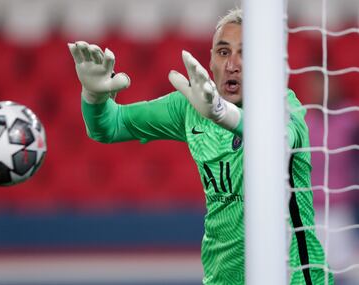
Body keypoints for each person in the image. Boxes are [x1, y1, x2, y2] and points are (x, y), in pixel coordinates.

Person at [68, 8, 333, 285]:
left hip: (295, 279)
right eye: (223, 52)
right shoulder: (191, 105)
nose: (233, 64)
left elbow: (276, 139)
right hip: (221, 278)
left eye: (246, 52)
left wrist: (220, 112)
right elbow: (110, 126)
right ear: (210, 59)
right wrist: (94, 96)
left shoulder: (285, 107)